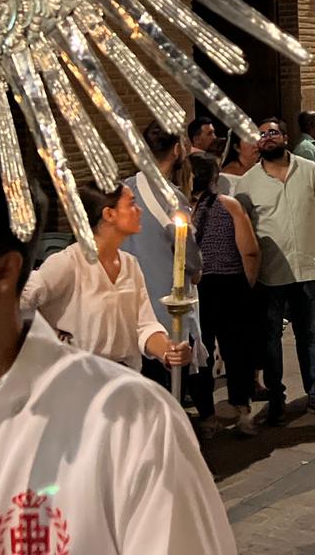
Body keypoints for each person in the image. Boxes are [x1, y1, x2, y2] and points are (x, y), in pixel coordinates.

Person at [0, 174, 235, 554]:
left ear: (2, 271)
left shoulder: (133, 423)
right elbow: (33, 292)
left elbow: (142, 322)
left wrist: (161, 345)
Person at [23, 184, 192, 372]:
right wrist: (47, 339)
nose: (139, 210)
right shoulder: (68, 263)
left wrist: (168, 351)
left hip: (123, 377)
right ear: (109, 214)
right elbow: (20, 299)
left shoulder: (130, 264)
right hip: (80, 379)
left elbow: (144, 325)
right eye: (132, 204)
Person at [234, 117, 315, 422]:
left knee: (308, 334)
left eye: (272, 132)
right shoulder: (247, 183)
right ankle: (276, 399)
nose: (266, 138)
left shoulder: (309, 170)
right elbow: (244, 227)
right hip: (272, 274)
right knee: (271, 338)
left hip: (307, 270)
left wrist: (310, 245)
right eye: (260, 135)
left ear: (286, 138)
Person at [122, 124, 210, 415]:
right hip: (164, 313)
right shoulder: (172, 199)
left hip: (126, 309)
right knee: (165, 397)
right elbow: (191, 260)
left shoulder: (122, 191)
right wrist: (196, 270)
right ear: (176, 150)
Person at [189, 155, 261, 437]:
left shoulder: (180, 210)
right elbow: (250, 250)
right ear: (214, 177)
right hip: (231, 285)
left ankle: (207, 417)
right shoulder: (229, 206)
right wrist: (250, 282)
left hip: (197, 289)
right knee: (237, 351)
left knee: (201, 353)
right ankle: (242, 413)